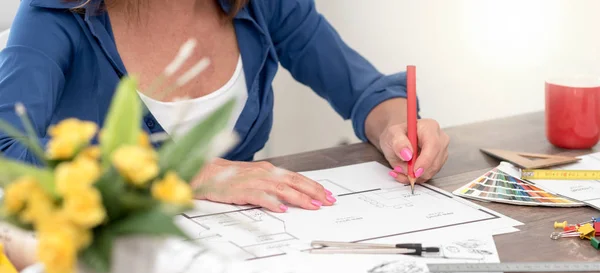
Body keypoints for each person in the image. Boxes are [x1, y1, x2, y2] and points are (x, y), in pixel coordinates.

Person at [0, 0, 449, 213]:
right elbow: (6, 150)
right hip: (112, 263)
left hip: (250, 252)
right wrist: (180, 172)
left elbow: (362, 89)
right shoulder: (55, 16)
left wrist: (396, 128)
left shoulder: (265, 4)